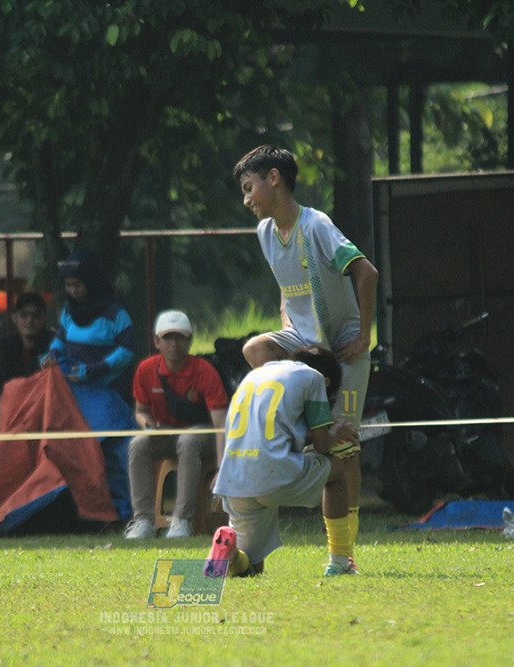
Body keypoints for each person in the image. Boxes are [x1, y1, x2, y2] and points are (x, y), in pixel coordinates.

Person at [232, 144, 379, 546]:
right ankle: (295, 422)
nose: (246, 200)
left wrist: (363, 337)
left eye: (249, 188)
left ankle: (344, 550)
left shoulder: (316, 225)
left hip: (342, 347)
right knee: (254, 349)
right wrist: (286, 321)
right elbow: (286, 285)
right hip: (303, 344)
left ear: (273, 178)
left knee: (344, 449)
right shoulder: (265, 232)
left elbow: (367, 273)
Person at [205, 346, 357, 578]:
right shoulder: (314, 378)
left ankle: (232, 554)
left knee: (252, 570)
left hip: (234, 478)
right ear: (326, 383)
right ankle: (340, 561)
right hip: (271, 473)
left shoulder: (255, 375)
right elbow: (322, 446)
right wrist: (338, 431)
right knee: (336, 470)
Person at [42, 248, 137, 521]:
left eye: (78, 285)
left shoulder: (115, 312)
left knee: (115, 456)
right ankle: (93, 515)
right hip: (78, 398)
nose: (73, 291)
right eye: (68, 285)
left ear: (92, 282)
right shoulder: (69, 311)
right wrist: (52, 356)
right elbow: (61, 341)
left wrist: (95, 370)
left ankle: (126, 513)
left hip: (110, 398)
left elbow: (128, 349)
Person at [124, 310, 229, 539]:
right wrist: (148, 425)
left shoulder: (204, 371)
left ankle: (182, 520)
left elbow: (221, 424)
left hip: (204, 434)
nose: (174, 344)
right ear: (157, 341)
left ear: (189, 340)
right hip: (167, 432)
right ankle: (143, 521)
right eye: (168, 337)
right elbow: (141, 411)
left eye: (180, 337)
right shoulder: (145, 369)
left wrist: (222, 467)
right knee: (138, 444)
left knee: (188, 440)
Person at [0, 292, 55, 392]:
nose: (30, 320)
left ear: (45, 317)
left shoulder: (54, 344)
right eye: (24, 314)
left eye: (36, 315)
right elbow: (2, 386)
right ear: (14, 317)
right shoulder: (6, 346)